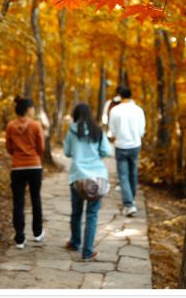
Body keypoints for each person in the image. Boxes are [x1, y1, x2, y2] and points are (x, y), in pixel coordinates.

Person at [63, 103, 113, 261]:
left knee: (76, 212)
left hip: (78, 177)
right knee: (92, 215)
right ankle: (87, 252)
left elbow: (67, 152)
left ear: (75, 115)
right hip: (97, 178)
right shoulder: (97, 130)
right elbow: (107, 151)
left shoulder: (72, 130)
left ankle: (75, 242)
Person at [5, 97, 45, 249]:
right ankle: (37, 232)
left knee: (18, 202)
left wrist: (17, 155)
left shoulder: (10, 126)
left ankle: (20, 238)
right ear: (28, 109)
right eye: (32, 108)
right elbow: (41, 147)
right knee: (35, 199)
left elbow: (8, 146)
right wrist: (34, 155)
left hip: (17, 167)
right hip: (34, 166)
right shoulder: (36, 125)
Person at [107, 87, 146, 216]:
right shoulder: (138, 110)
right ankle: (131, 201)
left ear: (119, 96)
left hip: (121, 145)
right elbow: (141, 131)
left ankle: (129, 204)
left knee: (123, 175)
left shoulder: (115, 110)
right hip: (135, 145)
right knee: (133, 173)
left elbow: (112, 130)